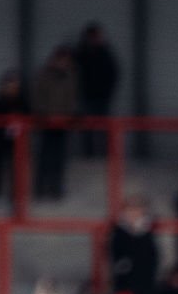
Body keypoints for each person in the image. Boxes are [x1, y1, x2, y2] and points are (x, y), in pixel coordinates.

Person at [32, 47, 78, 201]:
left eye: (66, 61)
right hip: (46, 124)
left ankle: (56, 190)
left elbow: (72, 99)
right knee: (44, 157)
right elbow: (38, 98)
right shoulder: (44, 76)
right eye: (61, 60)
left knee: (59, 159)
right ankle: (39, 189)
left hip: (62, 125)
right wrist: (45, 115)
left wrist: (68, 117)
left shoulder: (70, 77)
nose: (64, 64)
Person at [0, 69, 29, 205]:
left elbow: (28, 114)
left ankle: (16, 197)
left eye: (14, 85)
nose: (11, 88)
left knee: (15, 170)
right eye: (9, 85)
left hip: (16, 142)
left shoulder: (22, 101)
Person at [74, 23, 119, 157]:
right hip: (87, 96)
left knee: (104, 127)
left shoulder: (106, 54)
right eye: (94, 36)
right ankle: (89, 154)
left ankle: (106, 155)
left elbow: (113, 74)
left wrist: (107, 92)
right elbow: (75, 74)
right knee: (87, 126)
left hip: (102, 97)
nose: (96, 39)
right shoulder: (81, 54)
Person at [109, 198, 161, 294]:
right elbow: (115, 255)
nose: (134, 213)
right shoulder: (118, 232)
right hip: (125, 281)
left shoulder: (148, 232)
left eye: (137, 209)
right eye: (130, 209)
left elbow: (153, 256)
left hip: (146, 281)